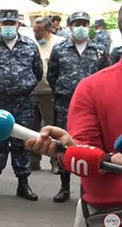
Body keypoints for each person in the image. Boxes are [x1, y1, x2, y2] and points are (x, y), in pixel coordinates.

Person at [0, 9, 42, 201]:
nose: (9, 27)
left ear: (19, 25)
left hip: (24, 103)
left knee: (23, 142)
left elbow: (37, 72)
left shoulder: (30, 45)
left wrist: (23, 86)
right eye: (5, 23)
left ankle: (23, 184)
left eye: (12, 23)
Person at [47, 11, 110, 203]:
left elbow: (105, 75)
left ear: (89, 26)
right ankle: (64, 187)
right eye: (77, 24)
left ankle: (87, 188)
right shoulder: (59, 49)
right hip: (66, 102)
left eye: (84, 23)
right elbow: (52, 75)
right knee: (63, 145)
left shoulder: (99, 50)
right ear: (70, 26)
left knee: (90, 146)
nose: (81, 27)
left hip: (93, 106)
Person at [30, 17, 64, 172]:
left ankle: (55, 162)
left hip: (49, 92)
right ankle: (34, 160)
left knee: (51, 128)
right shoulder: (31, 43)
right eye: (34, 30)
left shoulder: (59, 44)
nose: (35, 33)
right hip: (31, 92)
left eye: (39, 31)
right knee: (32, 128)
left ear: (49, 30)